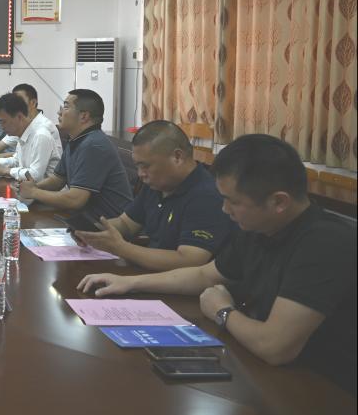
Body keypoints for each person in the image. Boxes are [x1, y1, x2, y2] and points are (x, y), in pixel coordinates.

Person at [79, 135, 356, 394]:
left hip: (325, 392)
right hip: (264, 371)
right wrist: (130, 282)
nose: (224, 210)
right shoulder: (259, 227)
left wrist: (223, 311)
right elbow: (205, 275)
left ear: (278, 202)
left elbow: (275, 346)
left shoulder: (325, 243)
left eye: (232, 201)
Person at [74, 120, 235, 271]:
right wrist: (93, 232)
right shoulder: (157, 184)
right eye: (137, 167)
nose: (140, 174)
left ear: (177, 157)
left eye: (145, 166)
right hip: (150, 274)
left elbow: (189, 260)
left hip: (182, 286)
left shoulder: (206, 195)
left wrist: (122, 248)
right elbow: (126, 224)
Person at [17, 89, 133, 220]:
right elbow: (57, 180)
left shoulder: (93, 145)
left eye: (66, 107)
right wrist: (33, 187)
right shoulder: (77, 139)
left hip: (108, 224)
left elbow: (75, 200)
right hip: (85, 218)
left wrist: (34, 192)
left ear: (84, 116)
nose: (59, 112)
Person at [0, 93, 62, 183]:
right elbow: (16, 161)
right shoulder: (21, 134)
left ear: (19, 117)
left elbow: (35, 176)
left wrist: (6, 171)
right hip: (28, 188)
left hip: (46, 190)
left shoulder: (40, 136)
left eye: (3, 121)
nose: (1, 127)